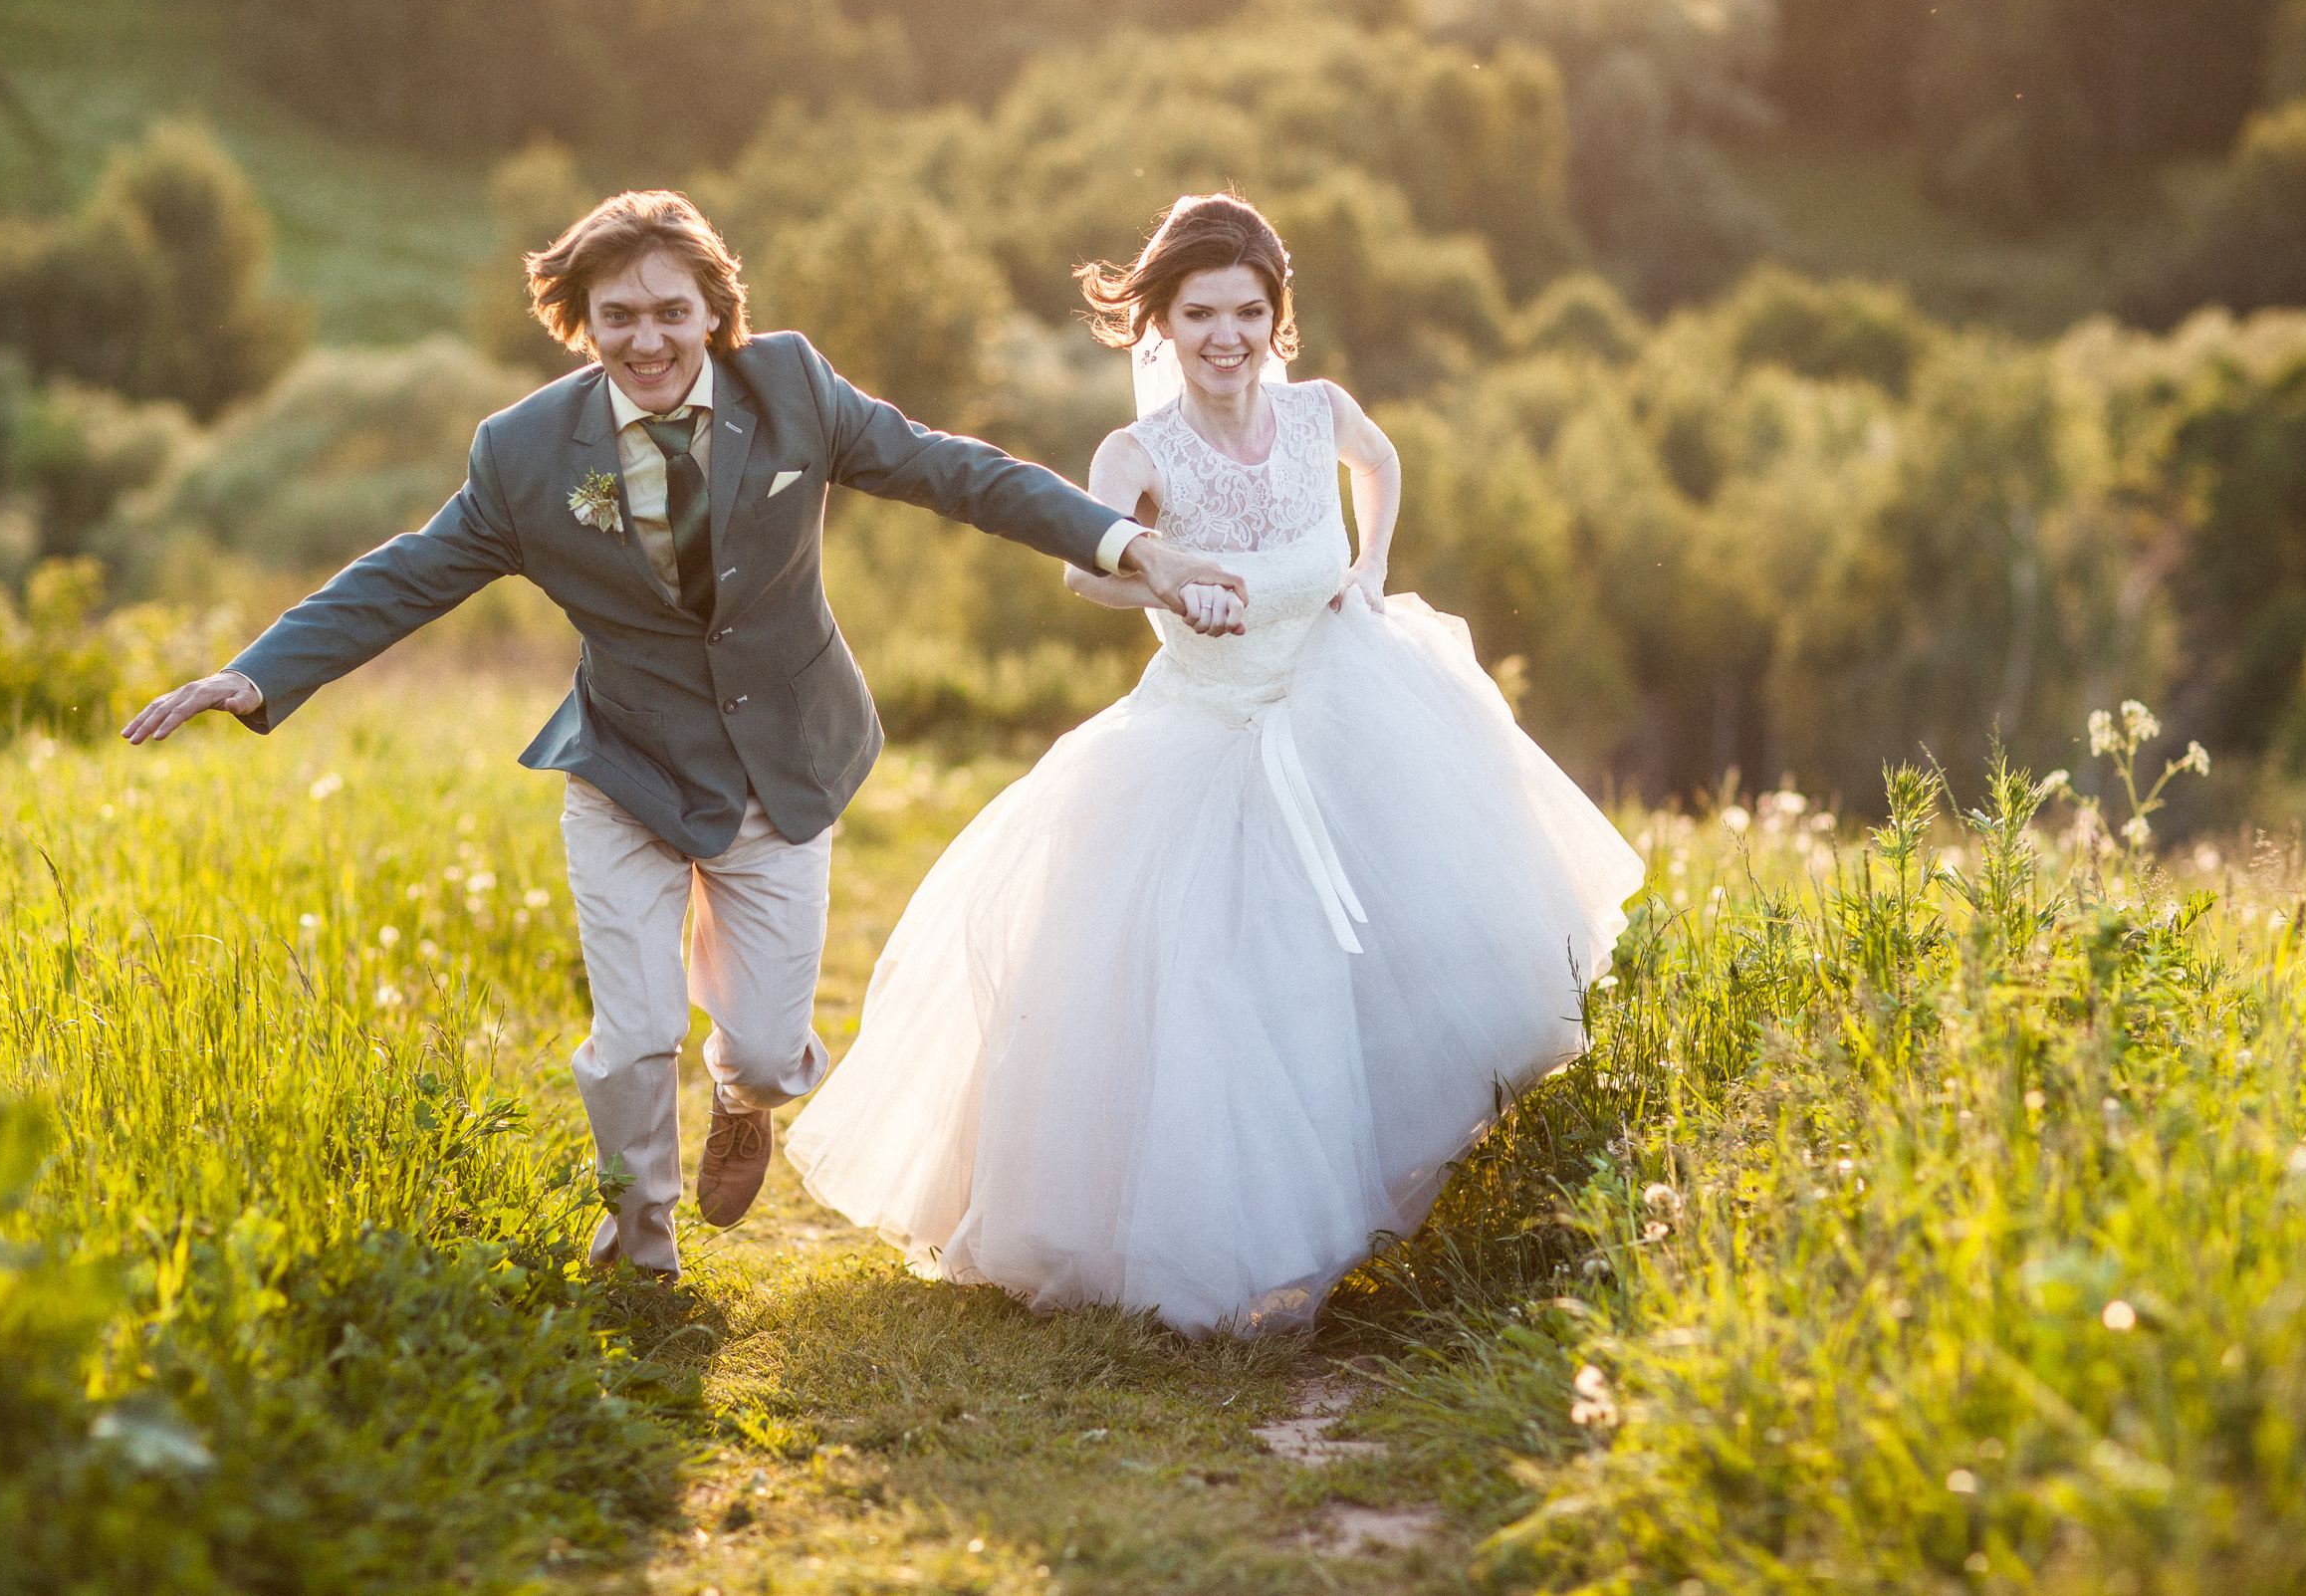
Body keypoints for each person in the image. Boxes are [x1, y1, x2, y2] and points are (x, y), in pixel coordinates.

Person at [119, 190, 1249, 1276]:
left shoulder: (794, 390)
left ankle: (742, 1097)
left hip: (783, 763)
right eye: (618, 315)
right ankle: (640, 1232)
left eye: (671, 311)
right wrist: (254, 673)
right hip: (627, 769)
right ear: (581, 323)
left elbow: (959, 472)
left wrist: (1126, 547)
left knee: (762, 1046)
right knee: (631, 1030)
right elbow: (406, 576)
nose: (647, 338)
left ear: (714, 309)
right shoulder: (523, 454)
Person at [785, 194, 1645, 1335]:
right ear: (1161, 322)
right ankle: (1247, 1257)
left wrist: (1371, 568)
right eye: (1199, 313)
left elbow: (1379, 463)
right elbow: (1082, 573)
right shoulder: (1137, 451)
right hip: (1200, 739)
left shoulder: (1317, 413)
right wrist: (1162, 577)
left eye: (1248, 310)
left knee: (1404, 956)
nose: (1225, 334)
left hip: (1348, 711)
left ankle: (1417, 1211)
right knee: (1228, 992)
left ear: (1278, 317)